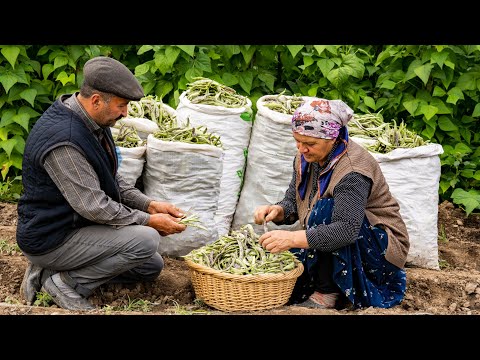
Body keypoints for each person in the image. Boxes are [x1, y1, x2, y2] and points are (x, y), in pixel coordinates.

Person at [16, 56, 187, 311]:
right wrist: (148, 220)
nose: (125, 113)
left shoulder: (92, 120)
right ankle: (65, 283)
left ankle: (48, 272)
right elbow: (94, 206)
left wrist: (149, 205)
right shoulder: (65, 140)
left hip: (75, 227)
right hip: (51, 237)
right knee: (146, 239)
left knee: (151, 265)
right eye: (122, 105)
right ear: (96, 100)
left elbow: (110, 176)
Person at [253, 97, 410, 310]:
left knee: (325, 210)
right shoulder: (307, 158)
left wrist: (292, 238)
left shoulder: (352, 171)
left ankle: (325, 292)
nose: (301, 149)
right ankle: (327, 281)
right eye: (297, 141)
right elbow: (294, 200)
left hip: (379, 248)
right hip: (348, 237)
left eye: (310, 143)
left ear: (332, 137)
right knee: (288, 265)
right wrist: (278, 210)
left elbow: (346, 229)